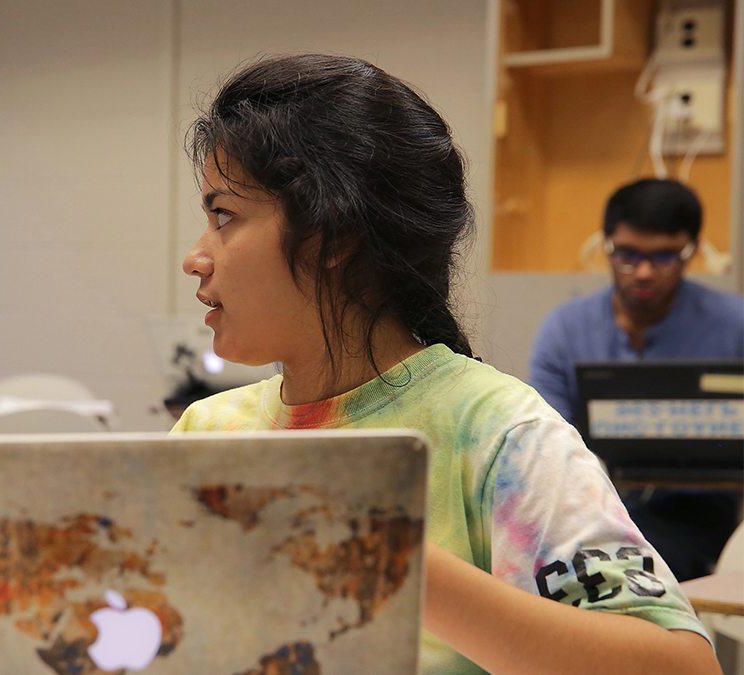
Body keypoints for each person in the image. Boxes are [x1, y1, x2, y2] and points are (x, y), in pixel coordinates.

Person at [172, 54, 717, 674]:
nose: (196, 257)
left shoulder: (495, 433)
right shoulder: (207, 435)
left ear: (335, 236)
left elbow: (682, 669)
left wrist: (385, 555)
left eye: (224, 216)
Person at [530, 178, 744, 581]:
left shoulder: (734, 327)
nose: (643, 272)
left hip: (696, 516)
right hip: (587, 506)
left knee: (634, 562)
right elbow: (546, 441)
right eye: (627, 254)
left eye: (664, 257)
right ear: (605, 245)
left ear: (692, 251)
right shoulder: (565, 329)